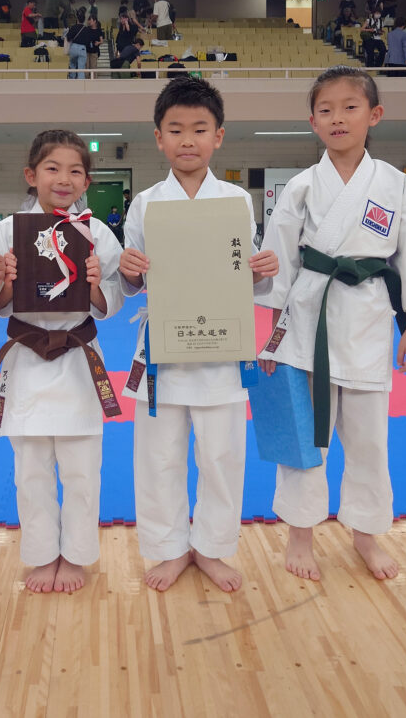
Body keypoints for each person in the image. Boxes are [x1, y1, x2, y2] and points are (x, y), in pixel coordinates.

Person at [258, 65, 406, 582]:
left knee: (369, 441)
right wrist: (272, 341)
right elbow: (278, 267)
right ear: (313, 122)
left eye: (350, 107)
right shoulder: (301, 187)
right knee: (307, 439)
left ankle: (365, 533)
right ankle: (301, 534)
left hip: (367, 321)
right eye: (326, 110)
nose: (338, 118)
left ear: (375, 115)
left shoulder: (392, 184)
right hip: (306, 323)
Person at [119, 76, 279, 592]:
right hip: (164, 347)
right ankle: (168, 548)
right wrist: (128, 268)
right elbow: (130, 282)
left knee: (222, 454)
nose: (188, 140)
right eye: (176, 129)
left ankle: (211, 547)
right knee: (159, 456)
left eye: (199, 129)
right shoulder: (145, 202)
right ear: (159, 138)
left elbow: (247, 276)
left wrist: (261, 269)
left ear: (219, 136)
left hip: (221, 348)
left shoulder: (236, 200)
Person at [0, 130, 123, 593]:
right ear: (31, 175)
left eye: (75, 171)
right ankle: (42, 555)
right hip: (26, 358)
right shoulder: (6, 230)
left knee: (82, 470)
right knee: (31, 470)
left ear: (87, 181)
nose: (63, 179)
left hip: (79, 358)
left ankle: (77, 556)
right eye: (52, 168)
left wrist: (98, 281)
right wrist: (6, 281)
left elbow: (112, 302)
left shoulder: (98, 233)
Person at [65, 9, 88, 79]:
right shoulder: (86, 29)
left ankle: (72, 80)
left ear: (77, 19)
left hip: (74, 48)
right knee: (81, 68)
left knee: (72, 65)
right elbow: (88, 40)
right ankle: (81, 85)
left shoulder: (73, 27)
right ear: (84, 20)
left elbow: (68, 38)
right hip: (82, 48)